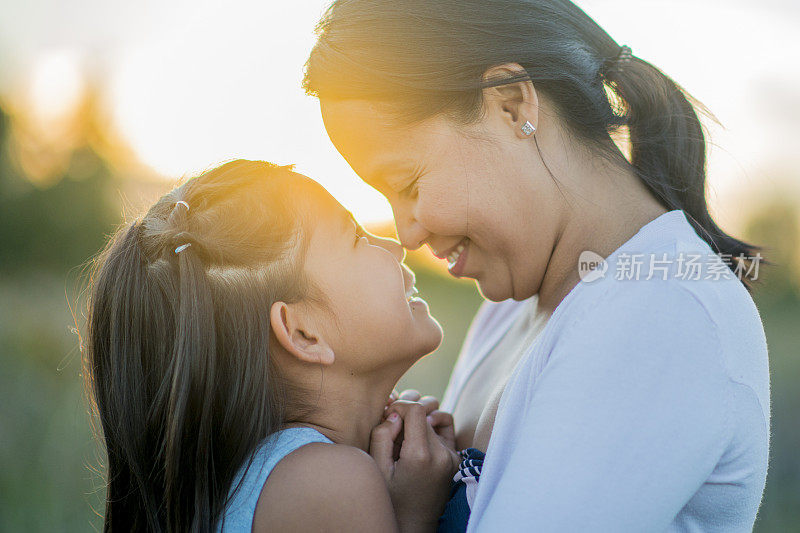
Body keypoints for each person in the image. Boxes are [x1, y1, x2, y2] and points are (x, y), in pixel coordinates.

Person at [304, 0, 770, 530]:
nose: (407, 233)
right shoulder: (514, 309)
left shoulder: (664, 313)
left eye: (408, 184)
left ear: (511, 104)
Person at [82, 159, 460, 532]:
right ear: (302, 334)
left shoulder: (267, 478)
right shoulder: (331, 484)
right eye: (356, 237)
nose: (396, 246)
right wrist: (415, 516)